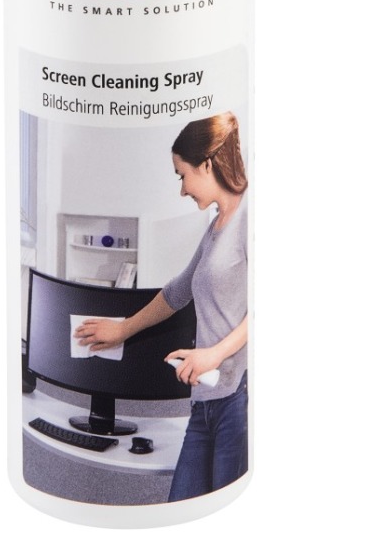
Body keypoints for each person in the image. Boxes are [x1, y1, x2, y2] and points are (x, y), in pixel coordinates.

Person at [73, 112, 249, 501]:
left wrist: (214, 354)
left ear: (207, 165)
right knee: (180, 503)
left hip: (238, 398)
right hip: (205, 400)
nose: (182, 189)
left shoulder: (250, 216)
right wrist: (122, 329)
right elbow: (179, 290)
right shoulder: (217, 226)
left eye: (182, 175)